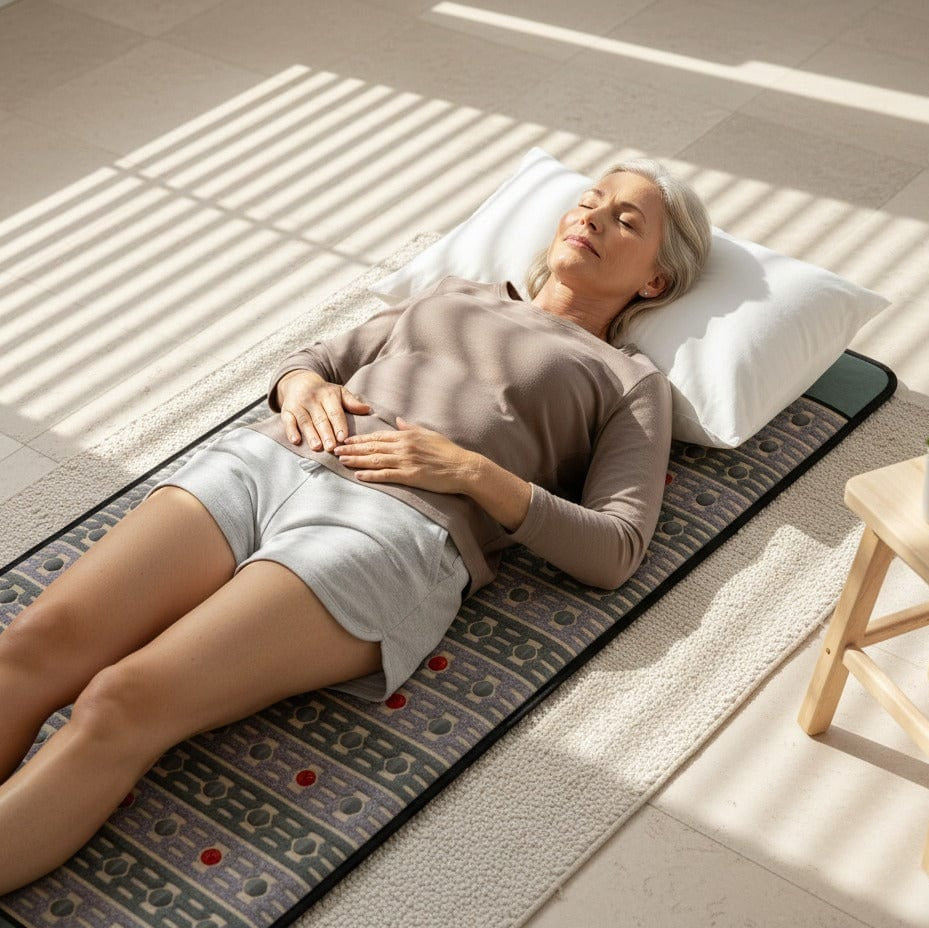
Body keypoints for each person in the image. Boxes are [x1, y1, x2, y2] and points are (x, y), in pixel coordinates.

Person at [0, 159, 711, 894]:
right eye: (589, 201)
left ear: (654, 281)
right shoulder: (449, 293)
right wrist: (302, 386)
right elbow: (316, 360)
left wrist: (470, 472)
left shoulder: (629, 380)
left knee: (125, 698)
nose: (592, 217)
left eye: (626, 219)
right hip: (267, 460)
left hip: (394, 529)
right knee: (31, 645)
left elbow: (616, 547)